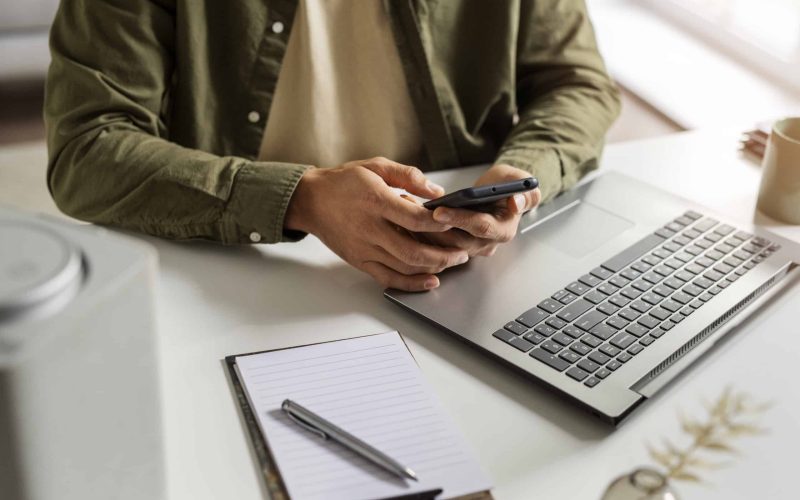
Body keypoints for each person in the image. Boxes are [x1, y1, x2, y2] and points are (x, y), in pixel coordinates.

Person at [44, 0, 620, 292]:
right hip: (241, 267)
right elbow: (88, 147)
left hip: (465, 269)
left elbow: (577, 82)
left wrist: (519, 177)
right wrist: (300, 198)